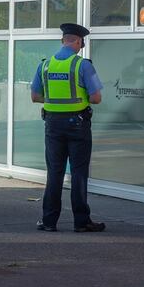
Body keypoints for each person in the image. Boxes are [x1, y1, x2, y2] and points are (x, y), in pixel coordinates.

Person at [30, 22, 106, 233]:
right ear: (79, 42)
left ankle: (48, 221)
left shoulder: (45, 65)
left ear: (62, 40)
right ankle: (81, 222)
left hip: (52, 124)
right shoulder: (83, 65)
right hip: (78, 126)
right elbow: (96, 98)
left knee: (54, 173)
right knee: (79, 174)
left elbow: (35, 96)